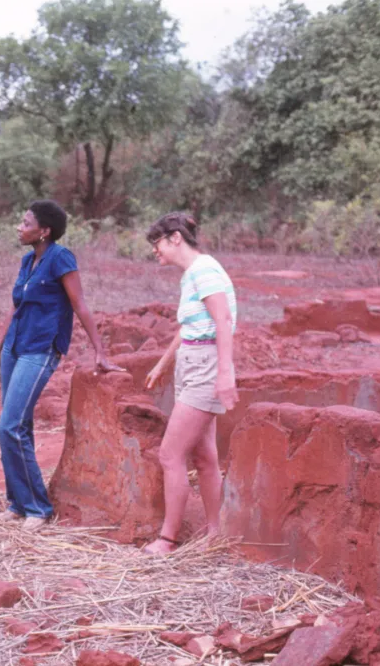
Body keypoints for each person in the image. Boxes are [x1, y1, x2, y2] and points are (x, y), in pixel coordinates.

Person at [0, 200, 121, 531]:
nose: (19, 227)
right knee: (19, 426)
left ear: (44, 231)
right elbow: (15, 308)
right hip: (15, 346)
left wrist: (100, 352)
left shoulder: (60, 258)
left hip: (41, 348)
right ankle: (18, 503)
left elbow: (79, 304)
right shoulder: (26, 261)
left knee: (10, 425)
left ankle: (38, 508)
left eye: (25, 222)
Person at [142, 212, 238, 555]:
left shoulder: (205, 270)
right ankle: (215, 534)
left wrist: (224, 373)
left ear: (175, 238)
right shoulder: (192, 274)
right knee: (205, 456)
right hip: (193, 362)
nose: (155, 251)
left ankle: (167, 540)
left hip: (205, 366)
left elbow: (223, 319)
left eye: (157, 244)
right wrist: (163, 363)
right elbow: (188, 328)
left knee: (170, 454)